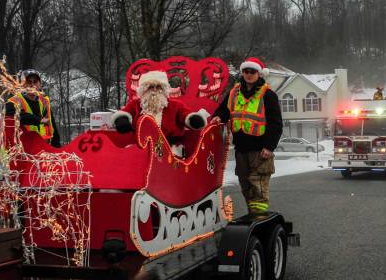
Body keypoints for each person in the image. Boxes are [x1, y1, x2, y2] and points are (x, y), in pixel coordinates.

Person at [211, 57, 283, 215]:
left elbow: (276, 124)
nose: (249, 74)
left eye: (252, 71)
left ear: (259, 74)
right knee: (245, 186)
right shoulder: (234, 93)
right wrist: (218, 117)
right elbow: (224, 110)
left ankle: (259, 218)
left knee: (258, 186)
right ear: (242, 73)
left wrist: (269, 147)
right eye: (246, 71)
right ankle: (253, 214)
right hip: (241, 149)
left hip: (260, 151)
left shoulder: (268, 95)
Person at [110, 70, 208, 156]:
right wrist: (122, 119)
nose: (154, 91)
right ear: (143, 90)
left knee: (170, 159)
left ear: (164, 89)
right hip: (141, 145)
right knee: (131, 155)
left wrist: (193, 120)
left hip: (170, 145)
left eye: (158, 87)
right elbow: (124, 113)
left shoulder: (175, 105)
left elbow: (185, 115)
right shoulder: (136, 104)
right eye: (151, 87)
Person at [6, 69, 61, 147]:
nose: (32, 85)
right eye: (28, 82)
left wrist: (58, 150)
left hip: (44, 151)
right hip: (23, 152)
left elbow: (53, 129)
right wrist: (39, 120)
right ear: (22, 85)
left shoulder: (44, 102)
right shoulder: (13, 102)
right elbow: (18, 116)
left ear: (40, 84)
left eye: (35, 81)